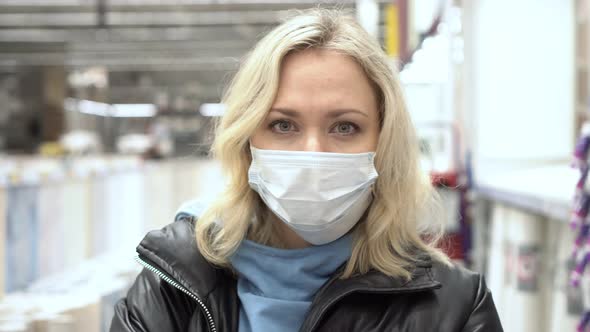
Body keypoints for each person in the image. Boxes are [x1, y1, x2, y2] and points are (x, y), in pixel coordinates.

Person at [110, 8, 502, 332]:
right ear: (248, 140)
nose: (314, 153)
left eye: (345, 127)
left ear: (383, 143)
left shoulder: (455, 308)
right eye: (283, 125)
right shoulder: (172, 289)